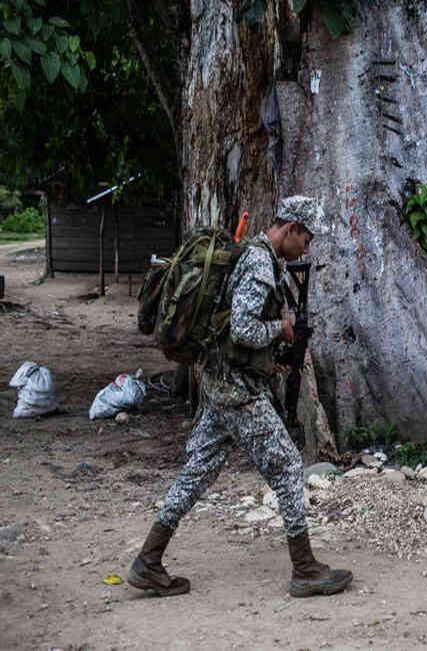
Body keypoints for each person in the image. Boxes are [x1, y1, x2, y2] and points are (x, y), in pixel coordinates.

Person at [127, 196, 353, 597]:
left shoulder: (252, 255)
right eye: (307, 239)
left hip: (220, 383)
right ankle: (304, 569)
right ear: (290, 228)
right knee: (285, 464)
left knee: (199, 470)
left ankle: (148, 560)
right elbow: (245, 330)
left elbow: (234, 326)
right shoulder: (260, 264)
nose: (307, 248)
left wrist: (271, 360)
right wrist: (281, 331)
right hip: (236, 391)